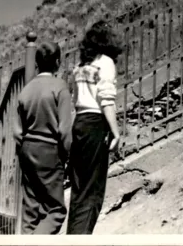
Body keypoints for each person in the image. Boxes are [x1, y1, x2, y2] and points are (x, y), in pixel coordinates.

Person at [66, 20, 122, 234]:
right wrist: (116, 132)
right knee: (93, 192)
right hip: (95, 124)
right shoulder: (105, 62)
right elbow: (106, 100)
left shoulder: (79, 66)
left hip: (79, 123)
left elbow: (75, 99)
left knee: (79, 190)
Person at [13, 41, 72, 235]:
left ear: (37, 63)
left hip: (27, 150)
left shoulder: (26, 90)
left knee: (30, 210)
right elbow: (64, 130)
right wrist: (68, 156)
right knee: (56, 210)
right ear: (57, 62)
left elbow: (17, 132)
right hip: (49, 151)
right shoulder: (60, 87)